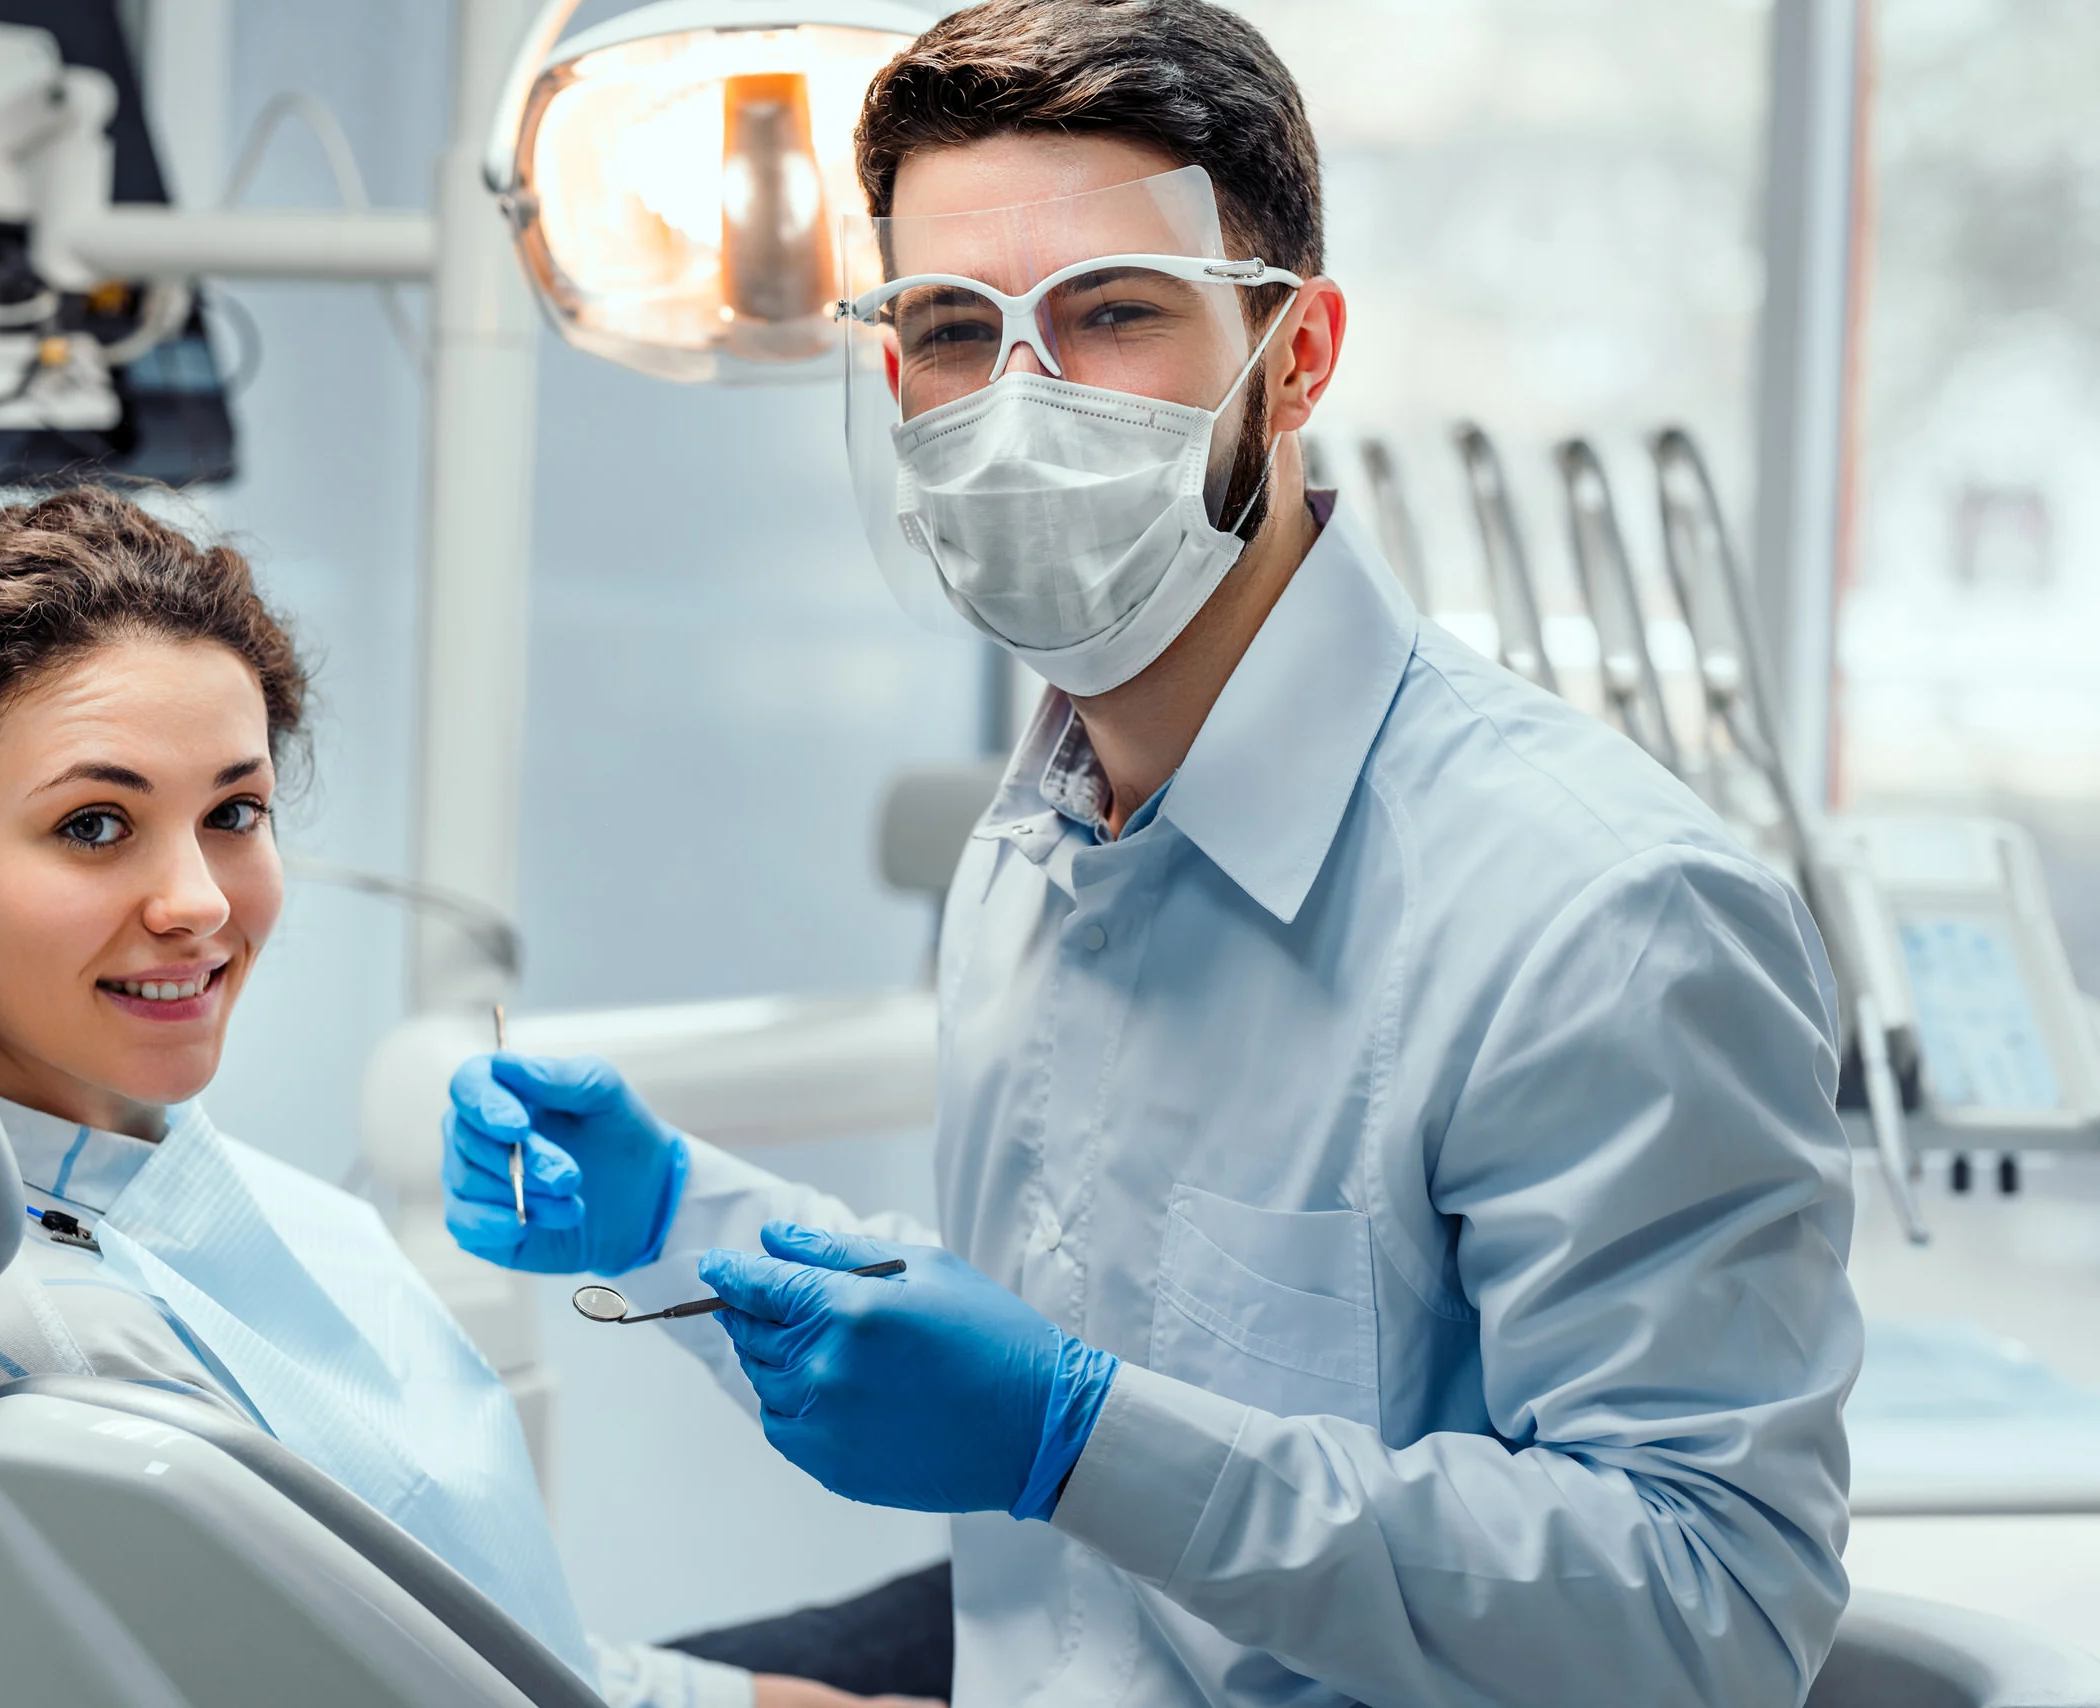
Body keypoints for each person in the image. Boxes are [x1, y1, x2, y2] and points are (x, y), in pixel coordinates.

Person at [443, 1, 1864, 1704]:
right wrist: (679, 1218)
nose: (1020, 399)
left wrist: (1080, 1439)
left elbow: (1711, 1609)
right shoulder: (1040, 837)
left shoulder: (1597, 915)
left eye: (1112, 312)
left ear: (1301, 355)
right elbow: (1055, 1337)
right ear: (895, 372)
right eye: (958, 326)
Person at [0, 486, 930, 1708]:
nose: (198, 902)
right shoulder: (61, 1354)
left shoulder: (88, 1181)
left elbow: (467, 1648)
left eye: (235, 813)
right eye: (96, 823)